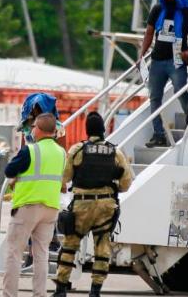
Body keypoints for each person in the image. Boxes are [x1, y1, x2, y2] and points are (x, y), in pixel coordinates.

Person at [53, 112, 133, 297]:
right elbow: (126, 183)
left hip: (82, 205)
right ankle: (95, 291)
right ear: (103, 130)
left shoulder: (77, 150)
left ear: (87, 131)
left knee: (70, 245)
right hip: (106, 206)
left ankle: (61, 289)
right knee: (102, 248)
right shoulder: (116, 152)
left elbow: (64, 178)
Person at [2, 113, 66, 297]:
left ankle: (9, 294)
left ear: (38, 129)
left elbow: (9, 170)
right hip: (51, 208)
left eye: (34, 127)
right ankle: (40, 294)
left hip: (27, 207)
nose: (32, 130)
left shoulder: (30, 150)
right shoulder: (61, 153)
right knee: (41, 255)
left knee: (14, 253)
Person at [141, 0, 188, 148]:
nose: (170, 2)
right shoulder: (157, 9)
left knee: (180, 92)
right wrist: (141, 53)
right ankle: (158, 134)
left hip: (177, 60)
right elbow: (149, 32)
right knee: (154, 97)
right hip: (157, 60)